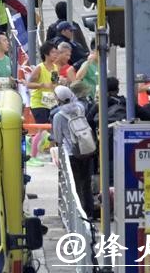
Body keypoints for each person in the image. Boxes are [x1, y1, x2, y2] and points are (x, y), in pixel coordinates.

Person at [50, 85, 95, 217]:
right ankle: (89, 212)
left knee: (74, 184)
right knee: (86, 183)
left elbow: (58, 138)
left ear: (58, 98)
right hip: (86, 148)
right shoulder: (80, 108)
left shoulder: (58, 116)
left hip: (71, 153)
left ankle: (78, 215)